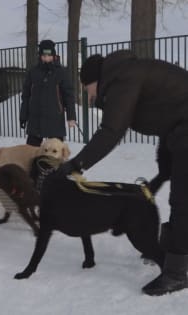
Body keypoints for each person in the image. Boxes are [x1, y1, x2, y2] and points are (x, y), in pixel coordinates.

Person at [58, 50, 188, 296]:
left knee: (183, 201)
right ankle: (171, 249)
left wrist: (76, 164)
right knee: (179, 197)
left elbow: (111, 131)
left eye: (87, 89)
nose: (88, 96)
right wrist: (163, 170)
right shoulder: (127, 73)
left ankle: (176, 273)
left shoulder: (122, 79)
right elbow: (167, 115)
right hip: (179, 131)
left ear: (95, 79)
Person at [20, 39, 76, 147]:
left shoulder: (61, 72)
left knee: (55, 153)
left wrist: (71, 116)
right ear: (40, 56)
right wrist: (23, 115)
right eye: (44, 56)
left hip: (55, 116)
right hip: (36, 117)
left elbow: (69, 95)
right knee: (31, 152)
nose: (46, 58)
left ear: (54, 55)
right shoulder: (33, 72)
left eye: (49, 55)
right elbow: (26, 95)